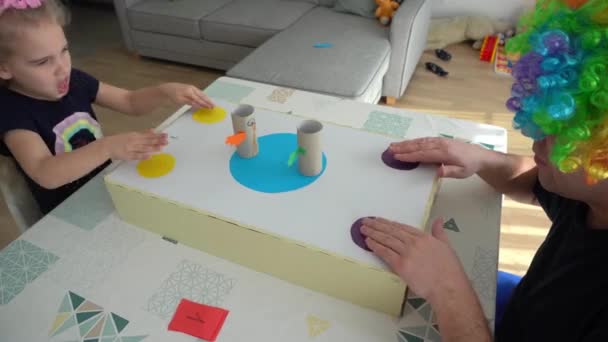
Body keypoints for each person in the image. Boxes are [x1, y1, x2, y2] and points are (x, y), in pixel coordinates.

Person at [361, 0, 608, 340]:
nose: (532, 134)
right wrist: (480, 159)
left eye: (555, 130)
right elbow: (534, 183)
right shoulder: (591, 197)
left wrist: (448, 289)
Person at [0, 0, 214, 214]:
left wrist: (164, 91)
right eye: (42, 62)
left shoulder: (75, 81)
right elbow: (44, 171)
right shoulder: (11, 111)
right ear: (4, 68)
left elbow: (129, 101)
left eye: (64, 50)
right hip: (70, 212)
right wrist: (107, 147)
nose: (62, 68)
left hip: (105, 186)